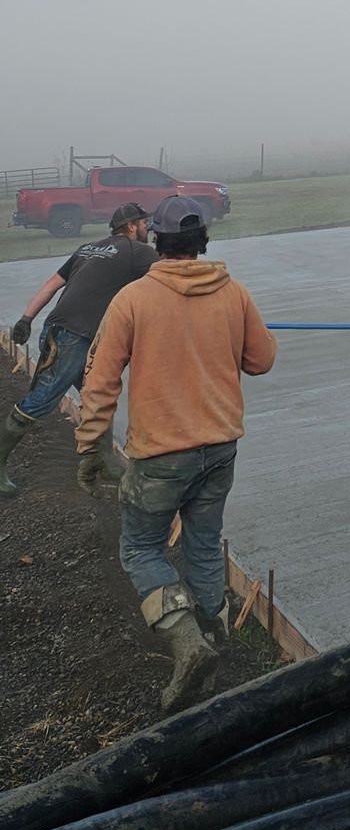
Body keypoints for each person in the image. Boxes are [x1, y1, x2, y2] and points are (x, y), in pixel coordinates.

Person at [77, 194, 277, 711]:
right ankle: (213, 643)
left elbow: (99, 384)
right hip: (220, 449)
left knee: (140, 549)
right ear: (202, 242)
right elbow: (262, 360)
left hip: (161, 455)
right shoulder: (233, 292)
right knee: (204, 547)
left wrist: (90, 448)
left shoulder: (133, 300)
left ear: (158, 242)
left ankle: (187, 642)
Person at [1, 204, 154, 498]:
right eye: (145, 223)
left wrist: (26, 318)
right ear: (132, 226)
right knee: (41, 400)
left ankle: (108, 464)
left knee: (99, 395)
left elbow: (52, 284)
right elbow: (171, 275)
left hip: (64, 330)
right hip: (75, 337)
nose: (148, 229)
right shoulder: (138, 252)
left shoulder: (88, 248)